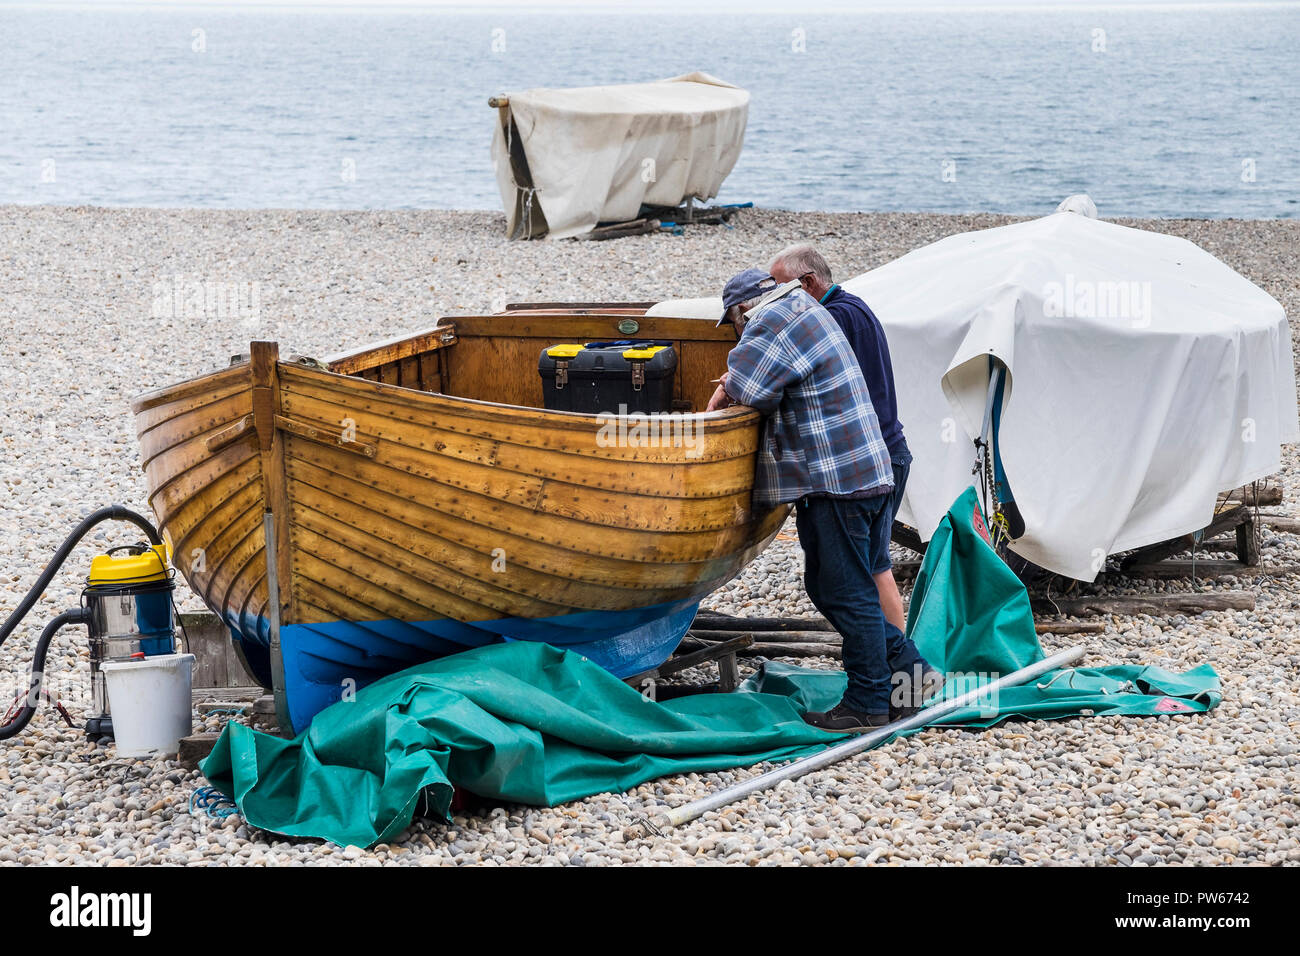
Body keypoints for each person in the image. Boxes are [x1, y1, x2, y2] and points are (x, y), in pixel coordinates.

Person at [706, 268, 938, 731]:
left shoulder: (770, 320)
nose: (737, 331)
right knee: (839, 586)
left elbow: (751, 390)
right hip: (867, 473)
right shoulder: (804, 309)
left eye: (733, 324)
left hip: (838, 482)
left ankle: (868, 703)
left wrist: (720, 393)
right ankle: (911, 675)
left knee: (844, 591)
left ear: (740, 311)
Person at [768, 244, 912, 636]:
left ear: (808, 282)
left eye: (780, 289)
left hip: (868, 462)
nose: (774, 299)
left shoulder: (831, 319)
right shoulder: (854, 308)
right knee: (875, 566)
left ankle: (896, 662)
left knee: (860, 575)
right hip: (889, 453)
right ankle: (896, 661)